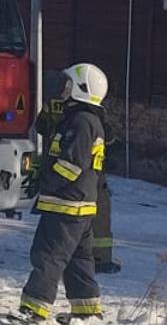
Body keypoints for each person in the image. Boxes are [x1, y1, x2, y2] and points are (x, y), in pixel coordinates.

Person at [19, 63, 110, 322]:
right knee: (79, 259)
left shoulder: (81, 122)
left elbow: (71, 165)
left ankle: (34, 308)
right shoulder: (84, 119)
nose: (63, 90)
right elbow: (44, 129)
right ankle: (87, 311)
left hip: (65, 203)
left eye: (68, 85)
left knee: (48, 255)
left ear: (81, 89)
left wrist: (44, 182)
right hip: (80, 205)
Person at [36, 80, 119, 275]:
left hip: (59, 167)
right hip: (86, 172)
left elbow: (41, 126)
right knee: (98, 213)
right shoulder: (89, 116)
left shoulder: (55, 103)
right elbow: (106, 138)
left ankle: (85, 257)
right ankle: (100, 257)